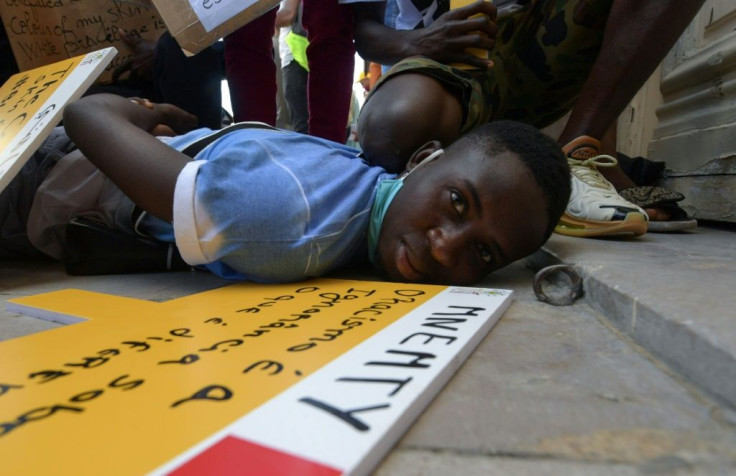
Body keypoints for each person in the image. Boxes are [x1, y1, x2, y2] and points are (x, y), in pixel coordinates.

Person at [0, 94, 570, 285]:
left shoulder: (352, 188)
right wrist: (141, 111)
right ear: (422, 159)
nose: (447, 248)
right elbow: (83, 114)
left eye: (483, 252)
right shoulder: (285, 219)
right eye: (457, 203)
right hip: (27, 175)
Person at [352, 0, 703, 237]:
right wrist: (422, 40)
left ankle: (582, 153)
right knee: (392, 127)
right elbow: (364, 30)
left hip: (546, 37)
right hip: (452, 56)